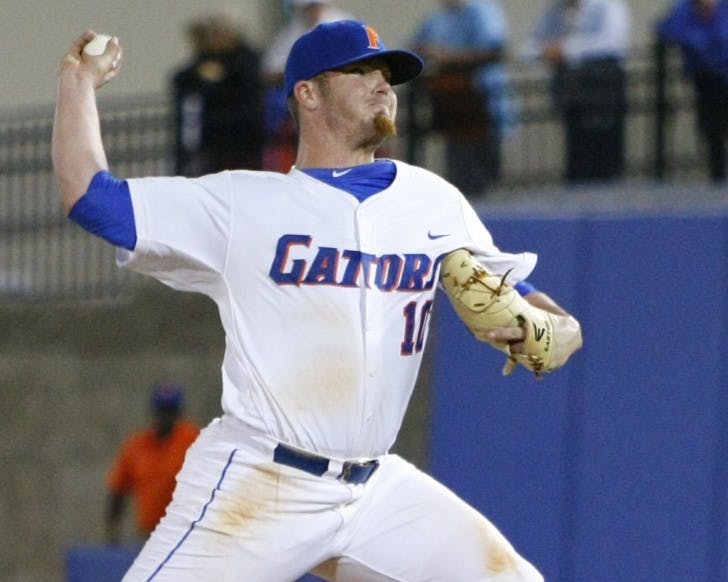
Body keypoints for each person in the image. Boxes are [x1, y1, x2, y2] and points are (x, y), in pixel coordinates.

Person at [53, 21, 582, 580]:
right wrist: (76, 84)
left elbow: (528, 304)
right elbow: (91, 197)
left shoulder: (433, 202)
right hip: (263, 480)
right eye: (360, 72)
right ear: (307, 93)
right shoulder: (242, 205)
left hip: (375, 491)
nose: (382, 85)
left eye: (387, 75)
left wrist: (557, 328)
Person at [411, 0, 518, 197]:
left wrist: (448, 58)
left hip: (480, 105)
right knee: (458, 174)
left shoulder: (483, 11)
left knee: (482, 176)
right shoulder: (438, 18)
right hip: (452, 110)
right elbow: (415, 48)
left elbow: (495, 51)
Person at [522, 0, 631, 184]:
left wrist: (566, 50)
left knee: (604, 149)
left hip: (602, 87)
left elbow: (612, 42)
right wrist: (545, 51)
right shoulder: (555, 11)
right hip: (572, 91)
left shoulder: (607, 6)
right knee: (578, 149)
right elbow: (530, 45)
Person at [261, 0, 353, 173]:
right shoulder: (294, 30)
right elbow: (270, 70)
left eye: (315, 6)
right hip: (301, 93)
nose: (312, 11)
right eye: (308, 7)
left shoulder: (344, 24)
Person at [171, 12, 265, 176]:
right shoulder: (203, 62)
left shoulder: (245, 59)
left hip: (242, 138)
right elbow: (182, 78)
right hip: (213, 140)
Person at [105, 383, 200, 544]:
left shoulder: (193, 440)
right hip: (149, 535)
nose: (166, 417)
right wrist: (112, 531)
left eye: (170, 411)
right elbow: (118, 491)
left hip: (186, 534)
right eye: (162, 410)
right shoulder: (136, 446)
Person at [656, 0, 728, 182]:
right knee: (712, 127)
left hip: (722, 74)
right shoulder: (684, 9)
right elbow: (666, 29)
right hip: (706, 79)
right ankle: (717, 174)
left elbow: (722, 40)